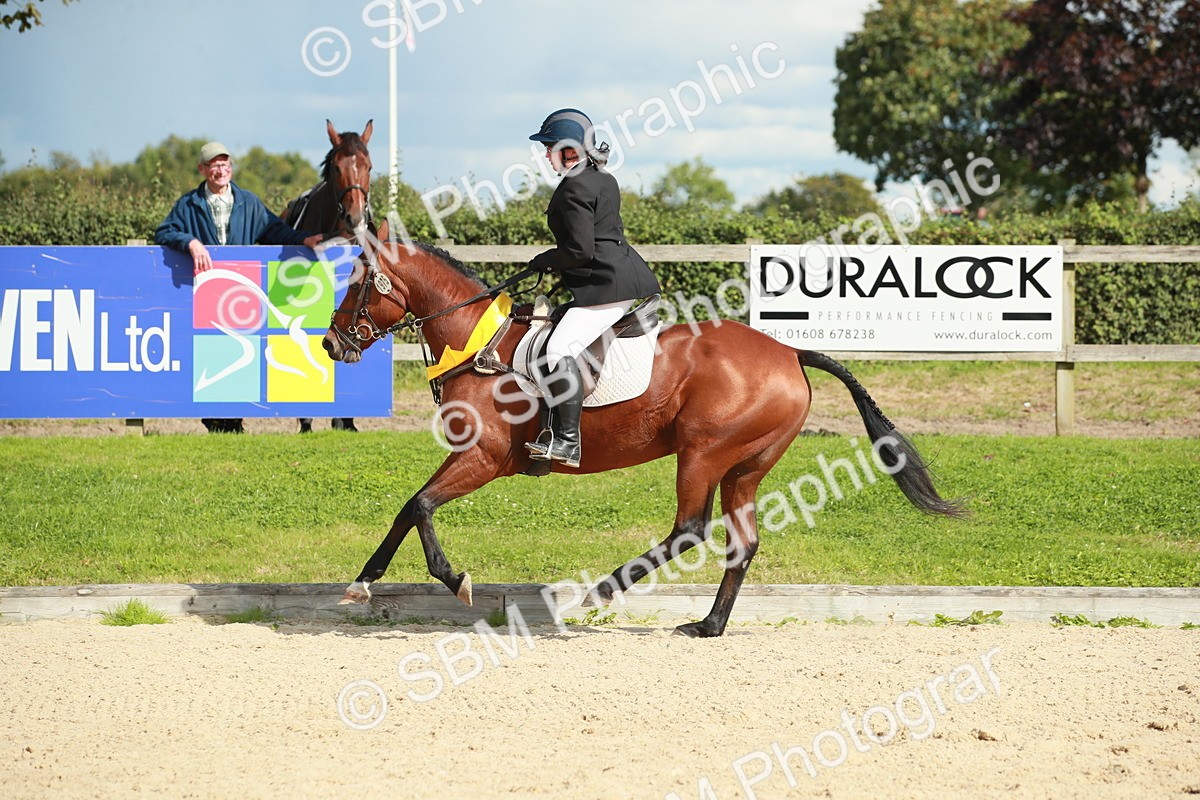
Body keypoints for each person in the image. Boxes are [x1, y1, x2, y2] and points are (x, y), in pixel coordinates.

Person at [155, 141, 323, 434]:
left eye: (224, 164)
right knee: (211, 351)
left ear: (231, 167)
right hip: (205, 289)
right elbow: (165, 231)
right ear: (203, 169)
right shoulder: (188, 204)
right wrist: (191, 243)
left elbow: (274, 230)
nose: (220, 170)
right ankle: (215, 419)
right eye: (214, 165)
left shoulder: (249, 202)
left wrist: (303, 240)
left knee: (237, 350)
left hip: (238, 290)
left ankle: (233, 421)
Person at [524, 109, 660, 468]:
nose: (546, 154)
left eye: (550, 147)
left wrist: (547, 259)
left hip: (606, 286)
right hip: (616, 277)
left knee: (556, 350)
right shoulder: (603, 178)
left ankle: (568, 441)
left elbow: (580, 250)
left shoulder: (574, 188)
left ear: (569, 151)